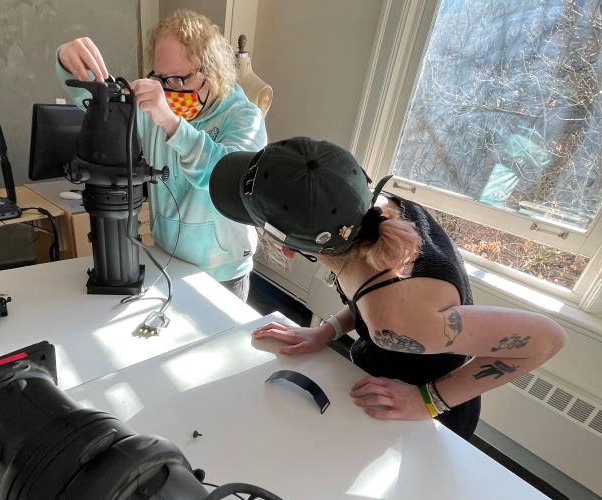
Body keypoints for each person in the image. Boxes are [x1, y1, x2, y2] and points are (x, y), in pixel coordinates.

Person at [209, 136, 566, 440]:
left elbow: (548, 339)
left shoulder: (391, 319)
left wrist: (428, 400)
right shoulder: (377, 213)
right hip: (379, 375)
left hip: (426, 416)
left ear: (288, 248)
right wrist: (326, 331)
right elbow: (372, 291)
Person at [55, 10, 267, 301]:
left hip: (222, 272)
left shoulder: (244, 116)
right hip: (167, 258)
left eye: (180, 78)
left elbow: (225, 178)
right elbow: (97, 104)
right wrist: (67, 62)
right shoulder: (154, 105)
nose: (169, 90)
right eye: (161, 77)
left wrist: (170, 122)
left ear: (213, 71)